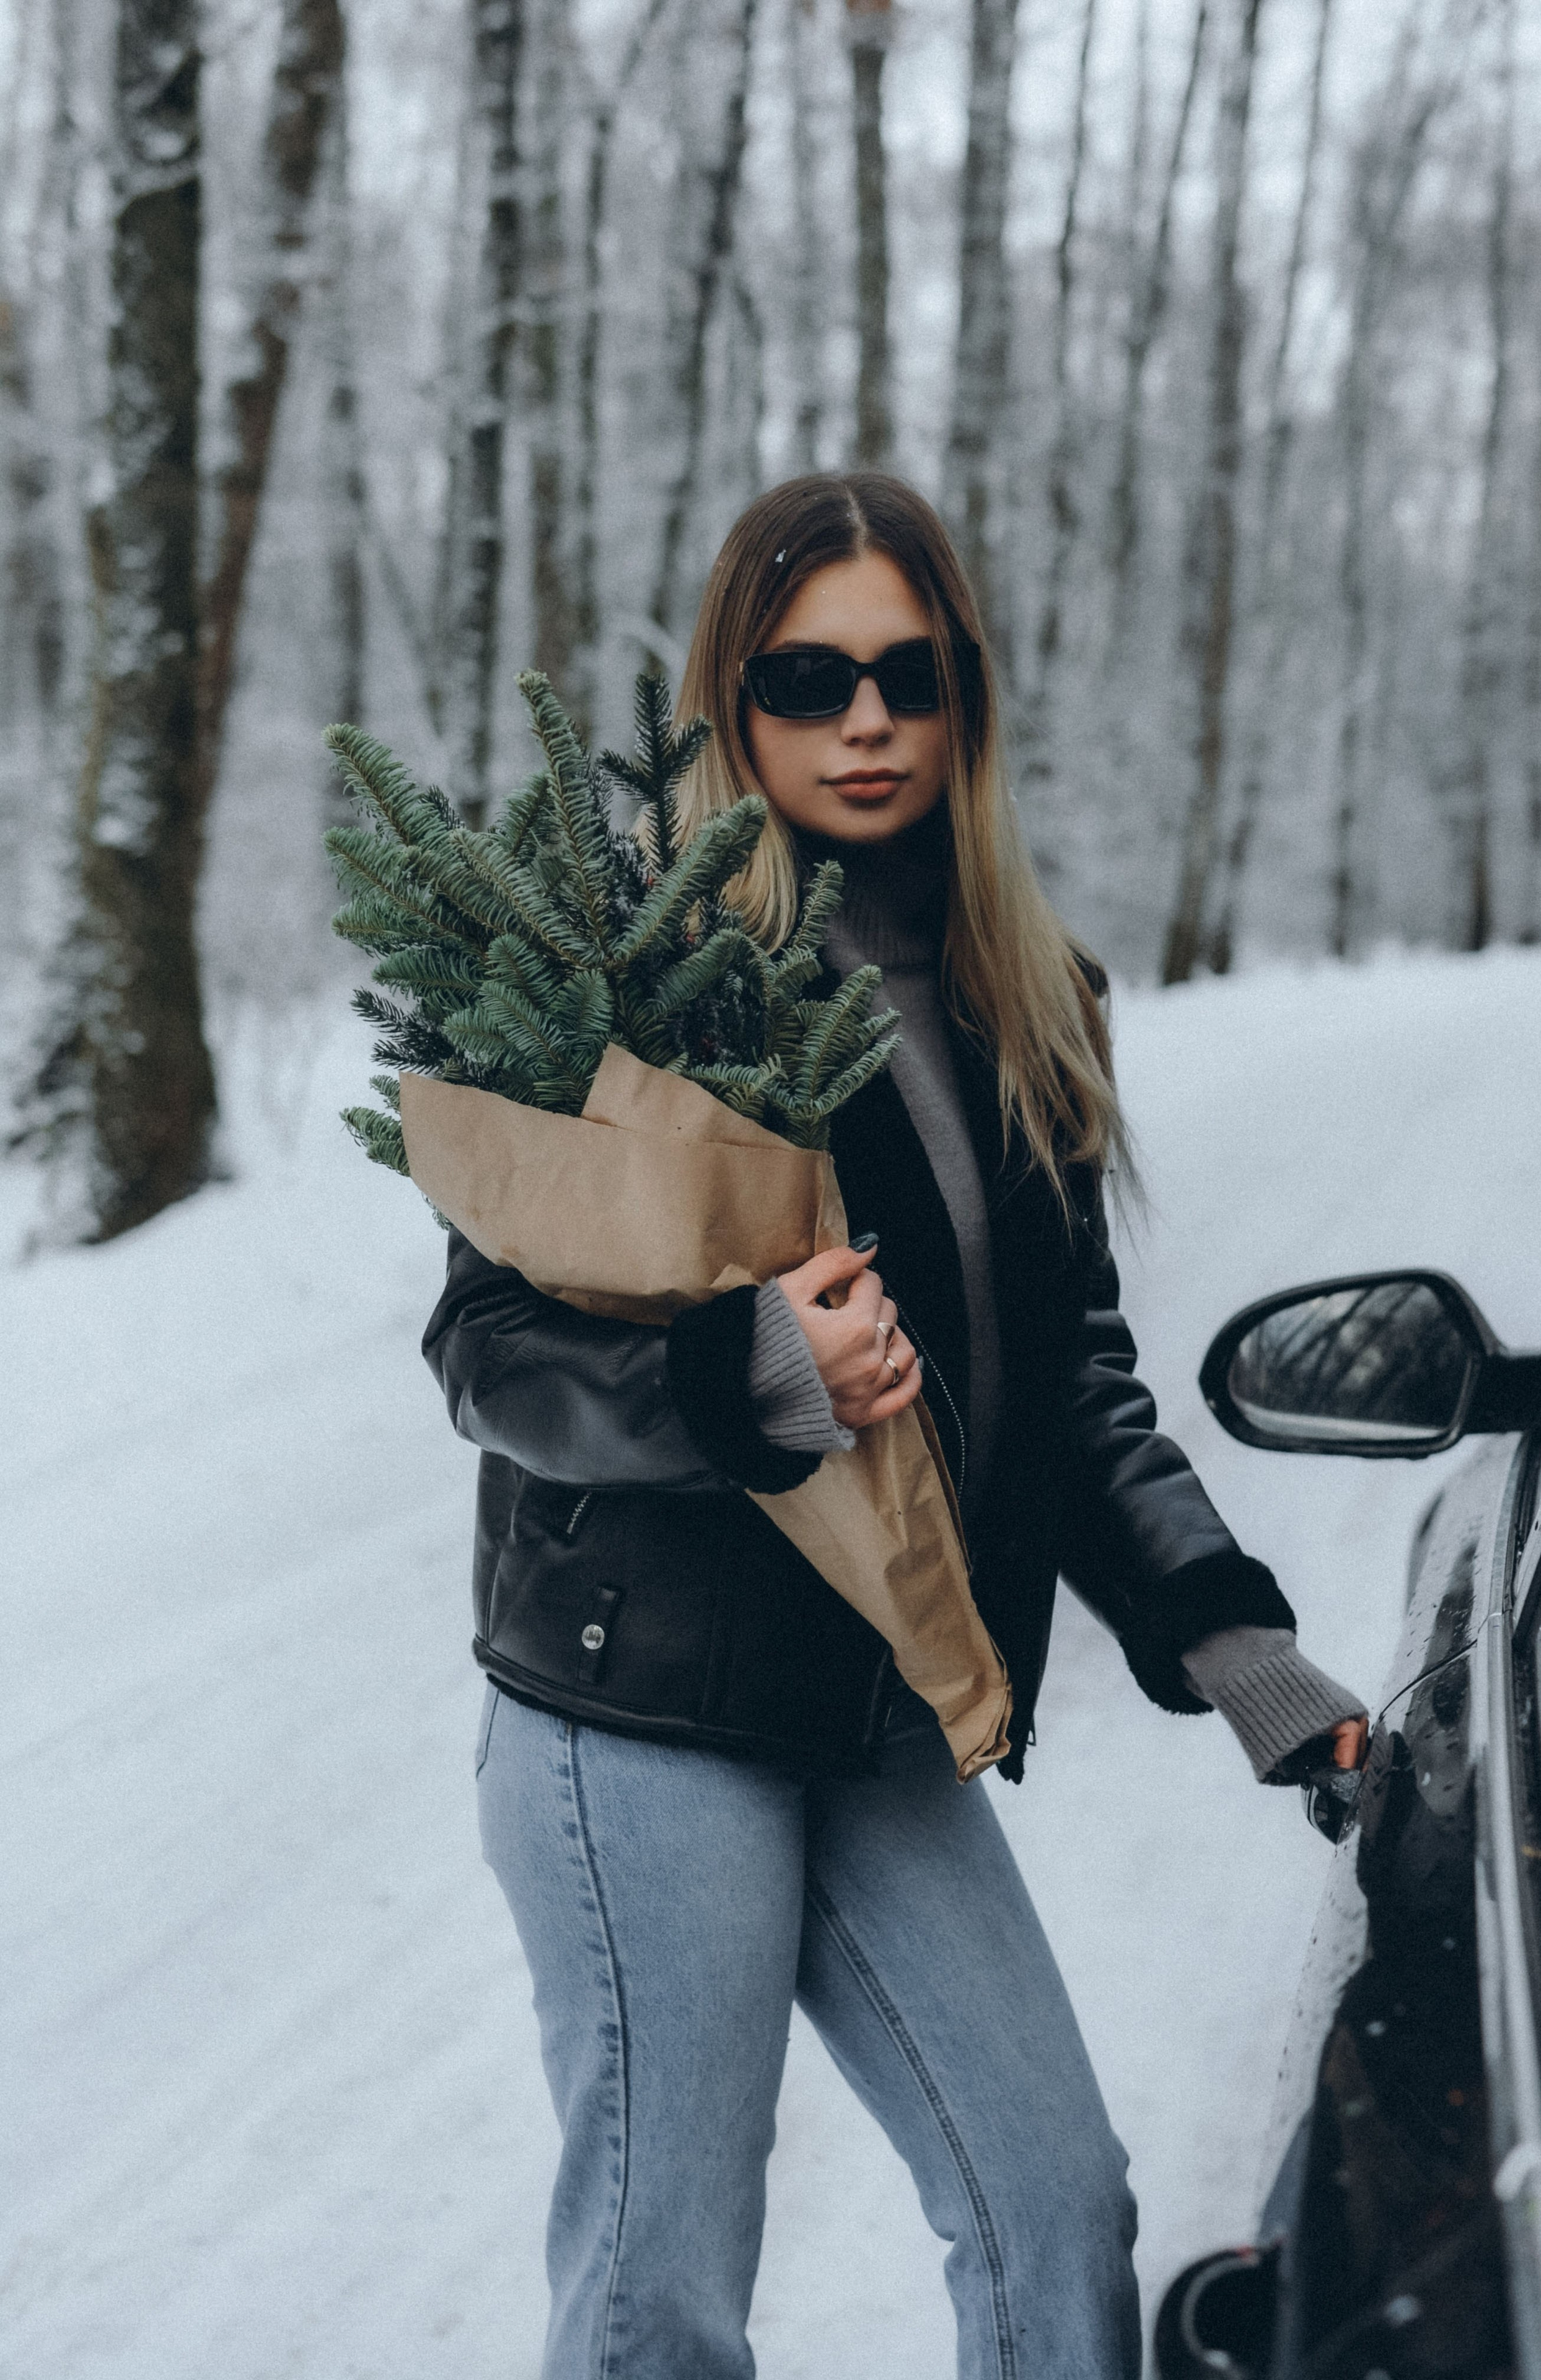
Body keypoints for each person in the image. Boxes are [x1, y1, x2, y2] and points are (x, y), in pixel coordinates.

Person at [423, 472, 1369, 2380]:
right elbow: (493, 1358)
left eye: (910, 674)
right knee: (660, 2291)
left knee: (1054, 2209)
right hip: (648, 1716)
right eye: (809, 677)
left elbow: (1074, 1392)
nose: (867, 721)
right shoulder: (641, 988)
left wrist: (1247, 1657)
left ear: (964, 699)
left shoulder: (1026, 994)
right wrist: (746, 1375)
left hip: (884, 1706)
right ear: (734, 698)